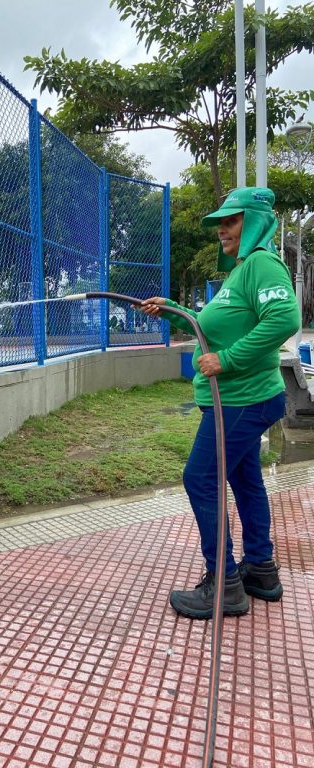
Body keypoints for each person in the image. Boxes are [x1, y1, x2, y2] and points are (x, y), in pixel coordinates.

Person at [137, 187, 300, 620]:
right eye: (221, 223)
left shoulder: (263, 264)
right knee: (246, 480)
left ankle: (224, 584)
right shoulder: (241, 271)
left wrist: (225, 361)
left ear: (256, 222)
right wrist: (172, 309)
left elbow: (285, 319)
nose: (222, 230)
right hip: (239, 400)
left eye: (231, 221)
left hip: (241, 400)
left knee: (202, 479)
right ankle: (260, 571)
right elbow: (215, 324)